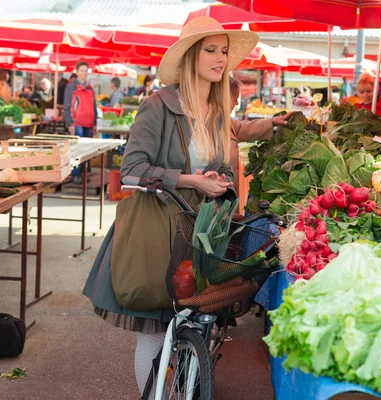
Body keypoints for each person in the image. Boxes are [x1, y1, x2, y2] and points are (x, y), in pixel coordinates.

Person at [82, 16, 259, 396]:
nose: (220, 59)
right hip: (158, 227)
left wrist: (220, 179)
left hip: (199, 229)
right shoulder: (157, 106)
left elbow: (219, 165)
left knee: (194, 319)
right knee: (156, 325)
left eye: (224, 51)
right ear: (191, 56)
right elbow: (131, 170)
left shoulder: (216, 111)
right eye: (211, 50)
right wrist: (191, 180)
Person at [229, 77, 291, 193]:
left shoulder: (225, 121)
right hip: (215, 195)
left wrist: (272, 122)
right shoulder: (209, 120)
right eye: (235, 99)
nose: (237, 103)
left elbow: (243, 128)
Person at [63, 61, 99, 184]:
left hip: (88, 123)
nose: (84, 73)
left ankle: (83, 174)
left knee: (86, 150)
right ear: (77, 72)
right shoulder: (71, 87)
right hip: (76, 123)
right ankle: (76, 174)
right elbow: (67, 106)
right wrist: (69, 123)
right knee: (77, 149)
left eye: (86, 71)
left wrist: (95, 123)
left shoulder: (90, 88)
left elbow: (94, 107)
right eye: (82, 70)